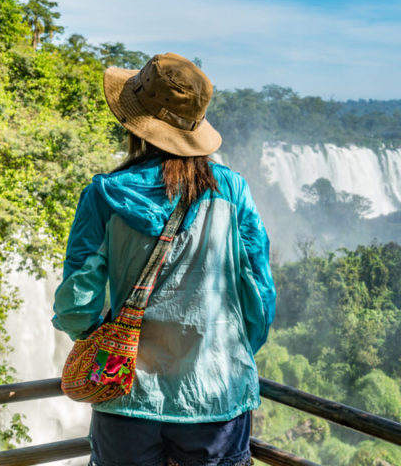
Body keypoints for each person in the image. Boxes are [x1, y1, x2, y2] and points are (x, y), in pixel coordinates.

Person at [52, 52, 276, 466]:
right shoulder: (232, 191)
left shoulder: (105, 195)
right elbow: (259, 298)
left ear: (135, 123)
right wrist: (222, 351)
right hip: (215, 400)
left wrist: (107, 337)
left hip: (126, 398)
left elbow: (74, 307)